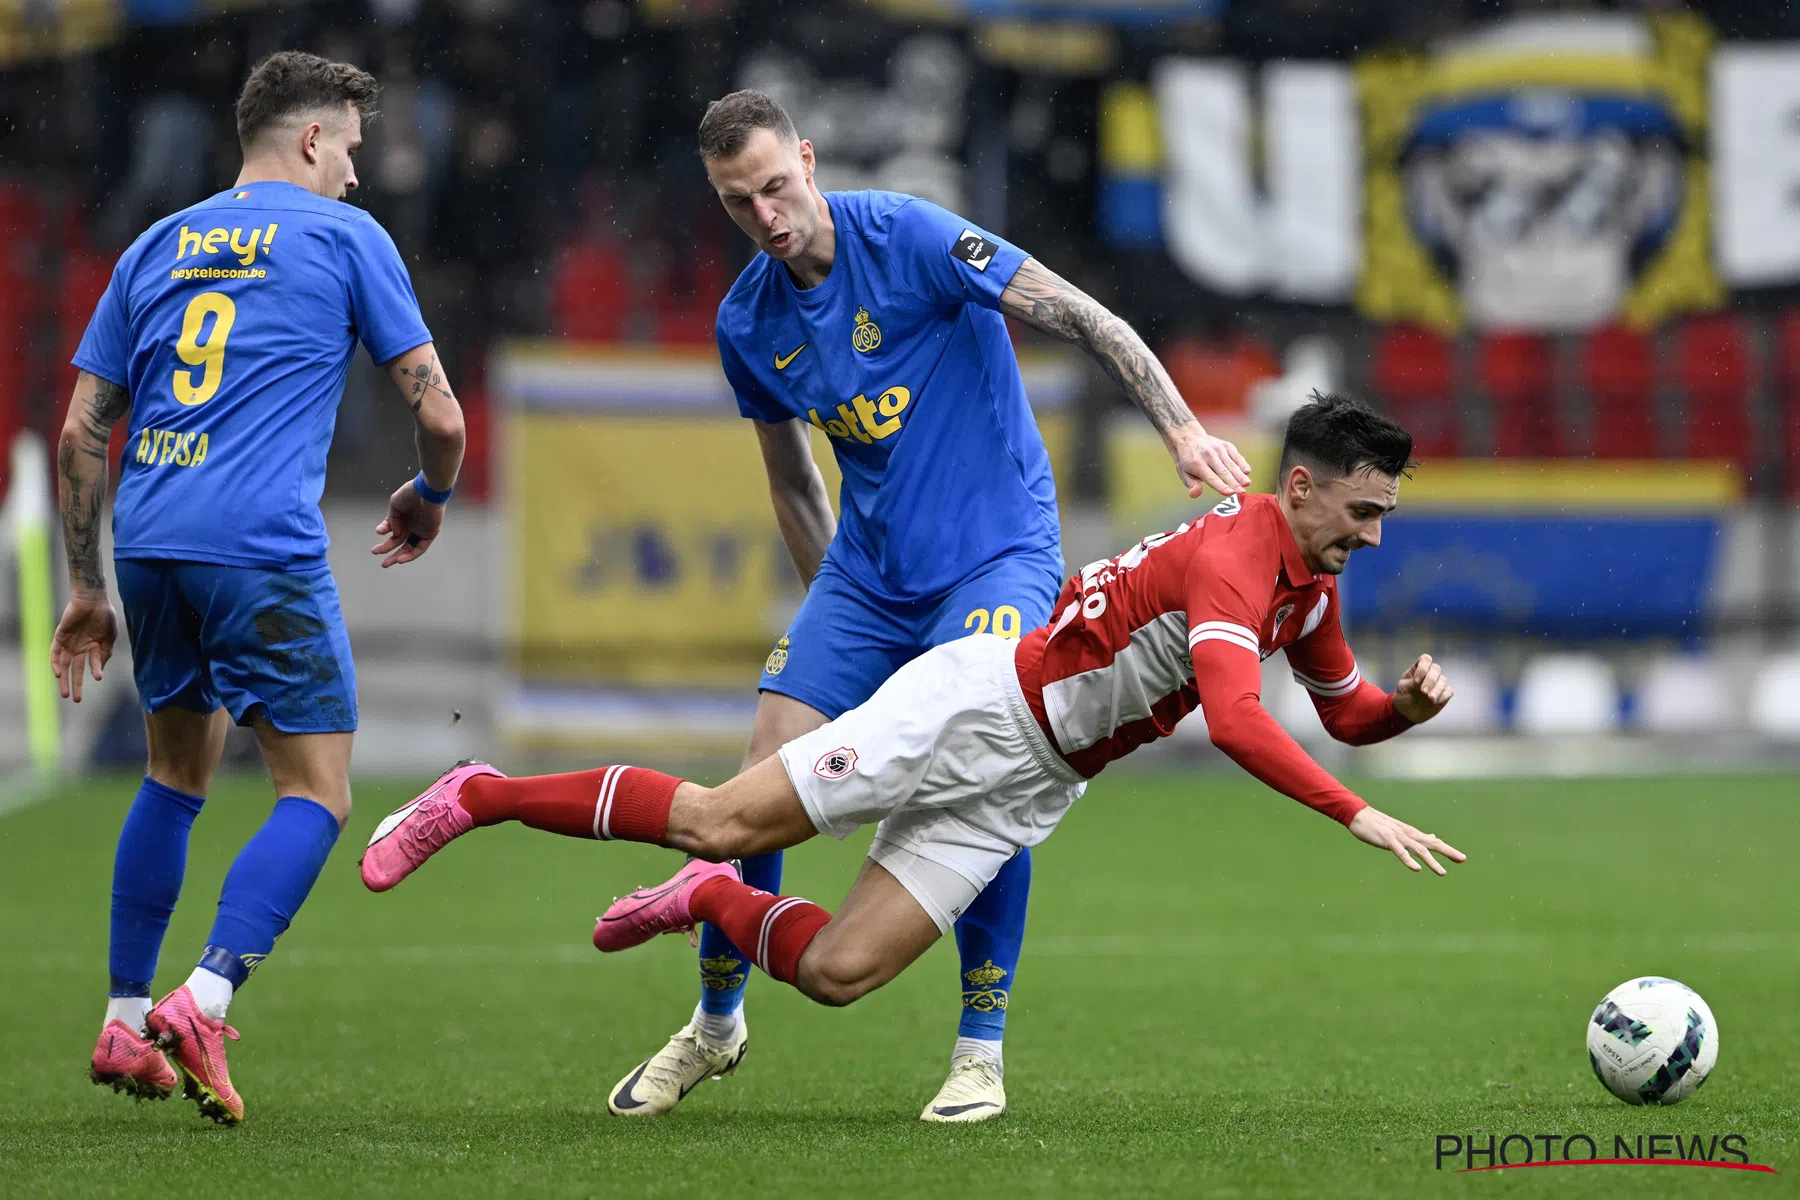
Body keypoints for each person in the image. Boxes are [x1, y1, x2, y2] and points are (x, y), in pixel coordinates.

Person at [363, 394, 1464, 1102]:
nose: (1370, 538)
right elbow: (1234, 719)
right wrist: (1358, 812)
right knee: (716, 818)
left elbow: (1342, 707)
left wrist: (1400, 714)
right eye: (1362, 512)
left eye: (1385, 520)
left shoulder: (1305, 586)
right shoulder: (1235, 553)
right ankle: (481, 793)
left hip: (1032, 783)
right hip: (972, 711)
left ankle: (705, 903)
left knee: (841, 976)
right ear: (1302, 484)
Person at [536, 88, 1249, 1123]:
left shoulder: (909, 237)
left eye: (778, 187)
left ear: (810, 161)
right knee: (756, 782)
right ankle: (716, 1023)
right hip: (866, 577)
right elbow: (790, 479)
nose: (767, 217)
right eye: (740, 203)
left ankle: (979, 1049)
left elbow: (1081, 313)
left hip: (996, 556)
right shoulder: (749, 320)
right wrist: (842, 616)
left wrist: (1182, 430)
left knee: (987, 767)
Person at [53, 51, 467, 1126]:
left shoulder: (154, 244)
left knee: (173, 776)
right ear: (315, 138)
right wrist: (429, 492)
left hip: (150, 543)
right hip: (259, 550)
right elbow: (443, 417)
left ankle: (122, 1011)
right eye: (355, 153)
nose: (361, 179)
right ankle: (205, 996)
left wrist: (87, 587)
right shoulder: (345, 238)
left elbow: (81, 431)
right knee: (317, 794)